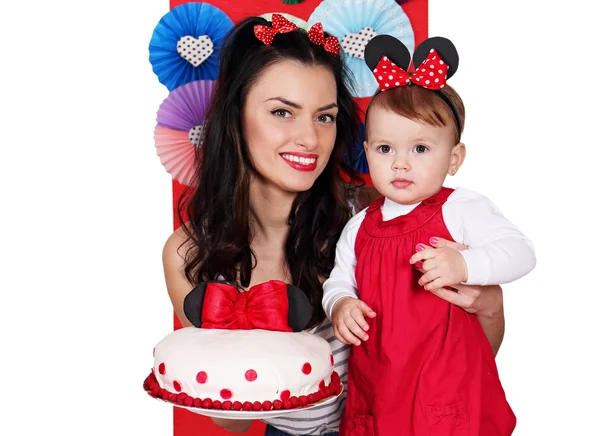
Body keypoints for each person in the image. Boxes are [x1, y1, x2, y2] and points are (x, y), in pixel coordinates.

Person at [162, 16, 508, 436]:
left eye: (324, 117)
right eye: (282, 112)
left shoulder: (374, 218)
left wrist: (488, 307)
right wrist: (239, 346)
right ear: (235, 117)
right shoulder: (189, 253)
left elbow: (457, 365)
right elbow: (231, 423)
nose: (309, 138)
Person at [322, 36, 536, 436]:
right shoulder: (359, 226)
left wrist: (465, 263)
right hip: (381, 386)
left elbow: (521, 252)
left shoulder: (460, 210)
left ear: (453, 158)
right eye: (385, 148)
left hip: (447, 386)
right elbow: (339, 278)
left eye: (420, 149)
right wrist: (341, 304)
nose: (400, 163)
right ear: (367, 152)